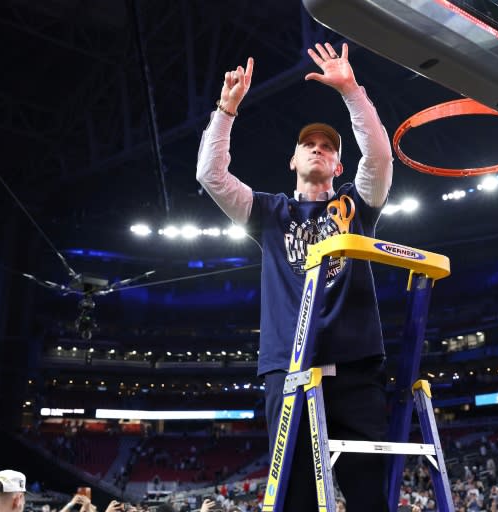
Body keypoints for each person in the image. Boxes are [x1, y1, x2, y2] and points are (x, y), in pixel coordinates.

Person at [196, 41, 393, 511]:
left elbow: (380, 158)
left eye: (328, 147)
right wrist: (226, 110)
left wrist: (350, 91)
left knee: (370, 496)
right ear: (293, 159)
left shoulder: (354, 204)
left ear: (339, 165)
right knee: (296, 498)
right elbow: (211, 175)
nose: (318, 150)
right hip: (287, 367)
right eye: (309, 144)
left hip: (354, 365)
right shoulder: (268, 212)